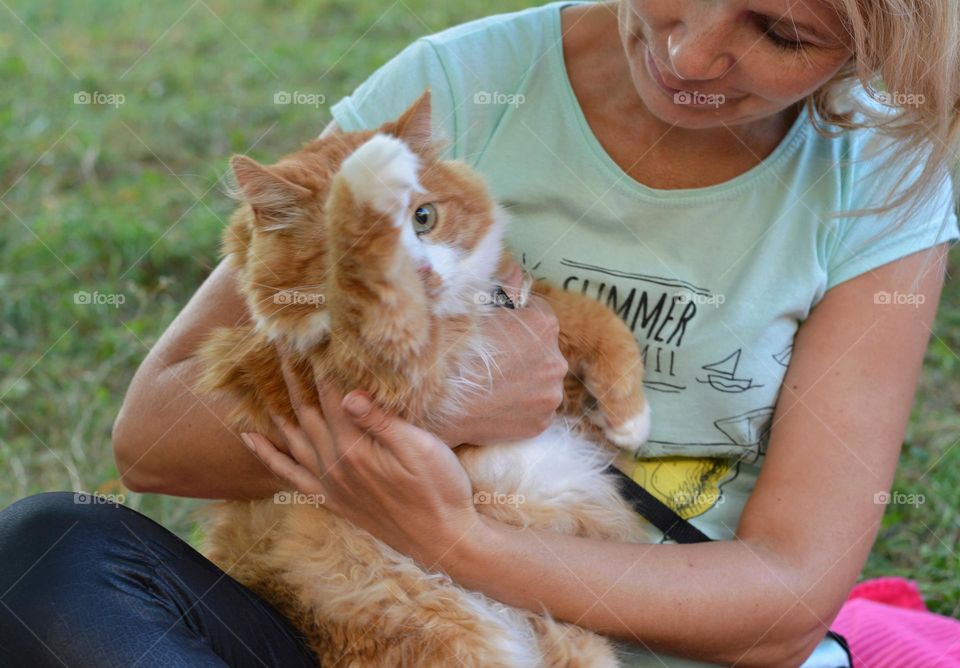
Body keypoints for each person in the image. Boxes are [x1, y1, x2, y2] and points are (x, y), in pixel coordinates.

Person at [2, 1, 958, 666]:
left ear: (872, 52)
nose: (692, 53)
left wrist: (455, 539)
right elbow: (155, 437)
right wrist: (449, 394)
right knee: (48, 553)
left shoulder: (879, 178)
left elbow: (786, 607)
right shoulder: (459, 86)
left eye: (781, 32)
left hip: (639, 647)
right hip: (366, 633)